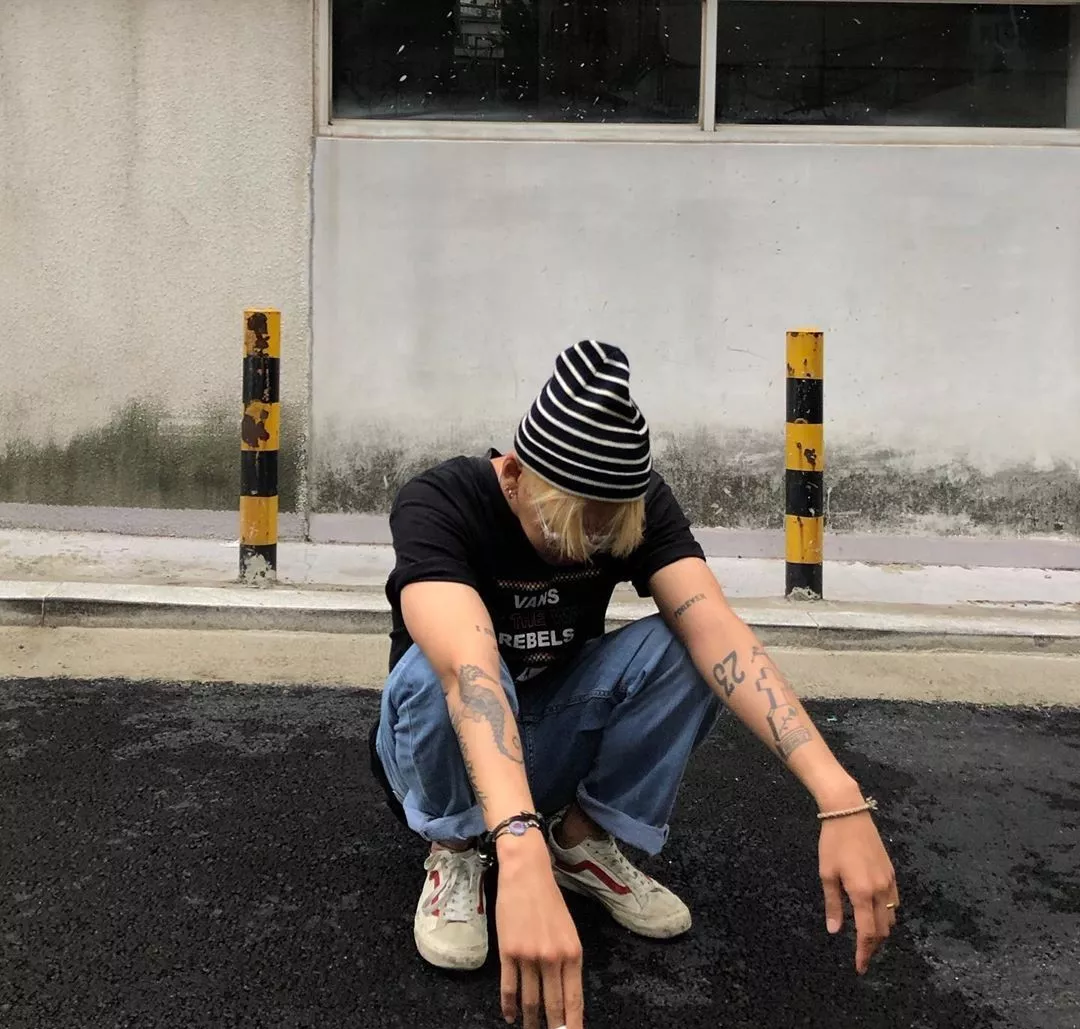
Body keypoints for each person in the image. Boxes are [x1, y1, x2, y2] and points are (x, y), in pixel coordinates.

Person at [371, 341, 899, 1029]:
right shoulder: (440, 501)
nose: (583, 549)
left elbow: (718, 630)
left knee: (690, 644)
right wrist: (517, 850)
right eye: (565, 527)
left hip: (549, 732)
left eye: (602, 534)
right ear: (516, 474)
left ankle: (579, 842)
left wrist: (840, 798)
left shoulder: (636, 501)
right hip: (441, 749)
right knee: (439, 664)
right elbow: (466, 673)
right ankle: (457, 850)